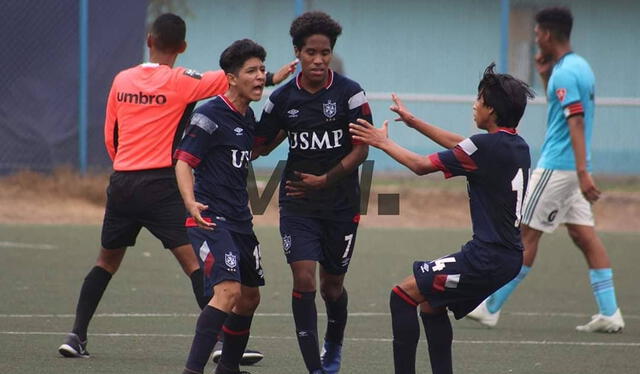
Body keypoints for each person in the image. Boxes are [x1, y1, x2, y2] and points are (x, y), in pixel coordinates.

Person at [57, 13, 295, 361]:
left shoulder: (122, 79)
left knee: (106, 261)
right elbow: (224, 84)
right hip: (163, 183)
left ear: (149, 40)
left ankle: (76, 335)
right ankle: (218, 343)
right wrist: (272, 78)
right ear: (182, 47)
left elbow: (112, 133)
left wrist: (122, 164)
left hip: (122, 180)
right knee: (197, 264)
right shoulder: (182, 80)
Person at [350, 63, 534, 374]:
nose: (474, 104)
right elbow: (462, 144)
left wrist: (382, 142)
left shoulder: (485, 146)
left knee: (401, 296)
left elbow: (421, 165)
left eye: (479, 99)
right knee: (431, 304)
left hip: (487, 258)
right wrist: (414, 122)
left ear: (492, 109)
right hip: (506, 257)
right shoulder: (516, 145)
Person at [466, 7, 624, 333]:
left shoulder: (566, 73)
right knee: (583, 234)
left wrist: (581, 170)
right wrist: (543, 76)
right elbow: (567, 110)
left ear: (548, 34)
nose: (535, 38)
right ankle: (610, 312)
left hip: (558, 166)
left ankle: (490, 307)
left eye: (537, 33)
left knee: (525, 233)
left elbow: (575, 120)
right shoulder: (578, 67)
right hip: (573, 166)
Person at [253, 11, 372, 374]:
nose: (318, 60)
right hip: (298, 204)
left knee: (331, 288)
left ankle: (332, 346)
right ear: (297, 53)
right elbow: (261, 143)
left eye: (324, 53)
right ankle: (315, 368)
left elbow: (362, 148)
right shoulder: (282, 99)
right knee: (303, 277)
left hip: (341, 204)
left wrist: (327, 179)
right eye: (310, 53)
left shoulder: (351, 95)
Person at [175, 38, 267, 374]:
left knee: (250, 299)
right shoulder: (209, 114)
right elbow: (184, 162)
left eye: (262, 70)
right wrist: (191, 203)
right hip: (211, 219)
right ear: (230, 78)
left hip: (241, 221)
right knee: (227, 292)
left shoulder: (248, 117)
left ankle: (228, 368)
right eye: (251, 71)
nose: (260, 77)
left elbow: (255, 150)